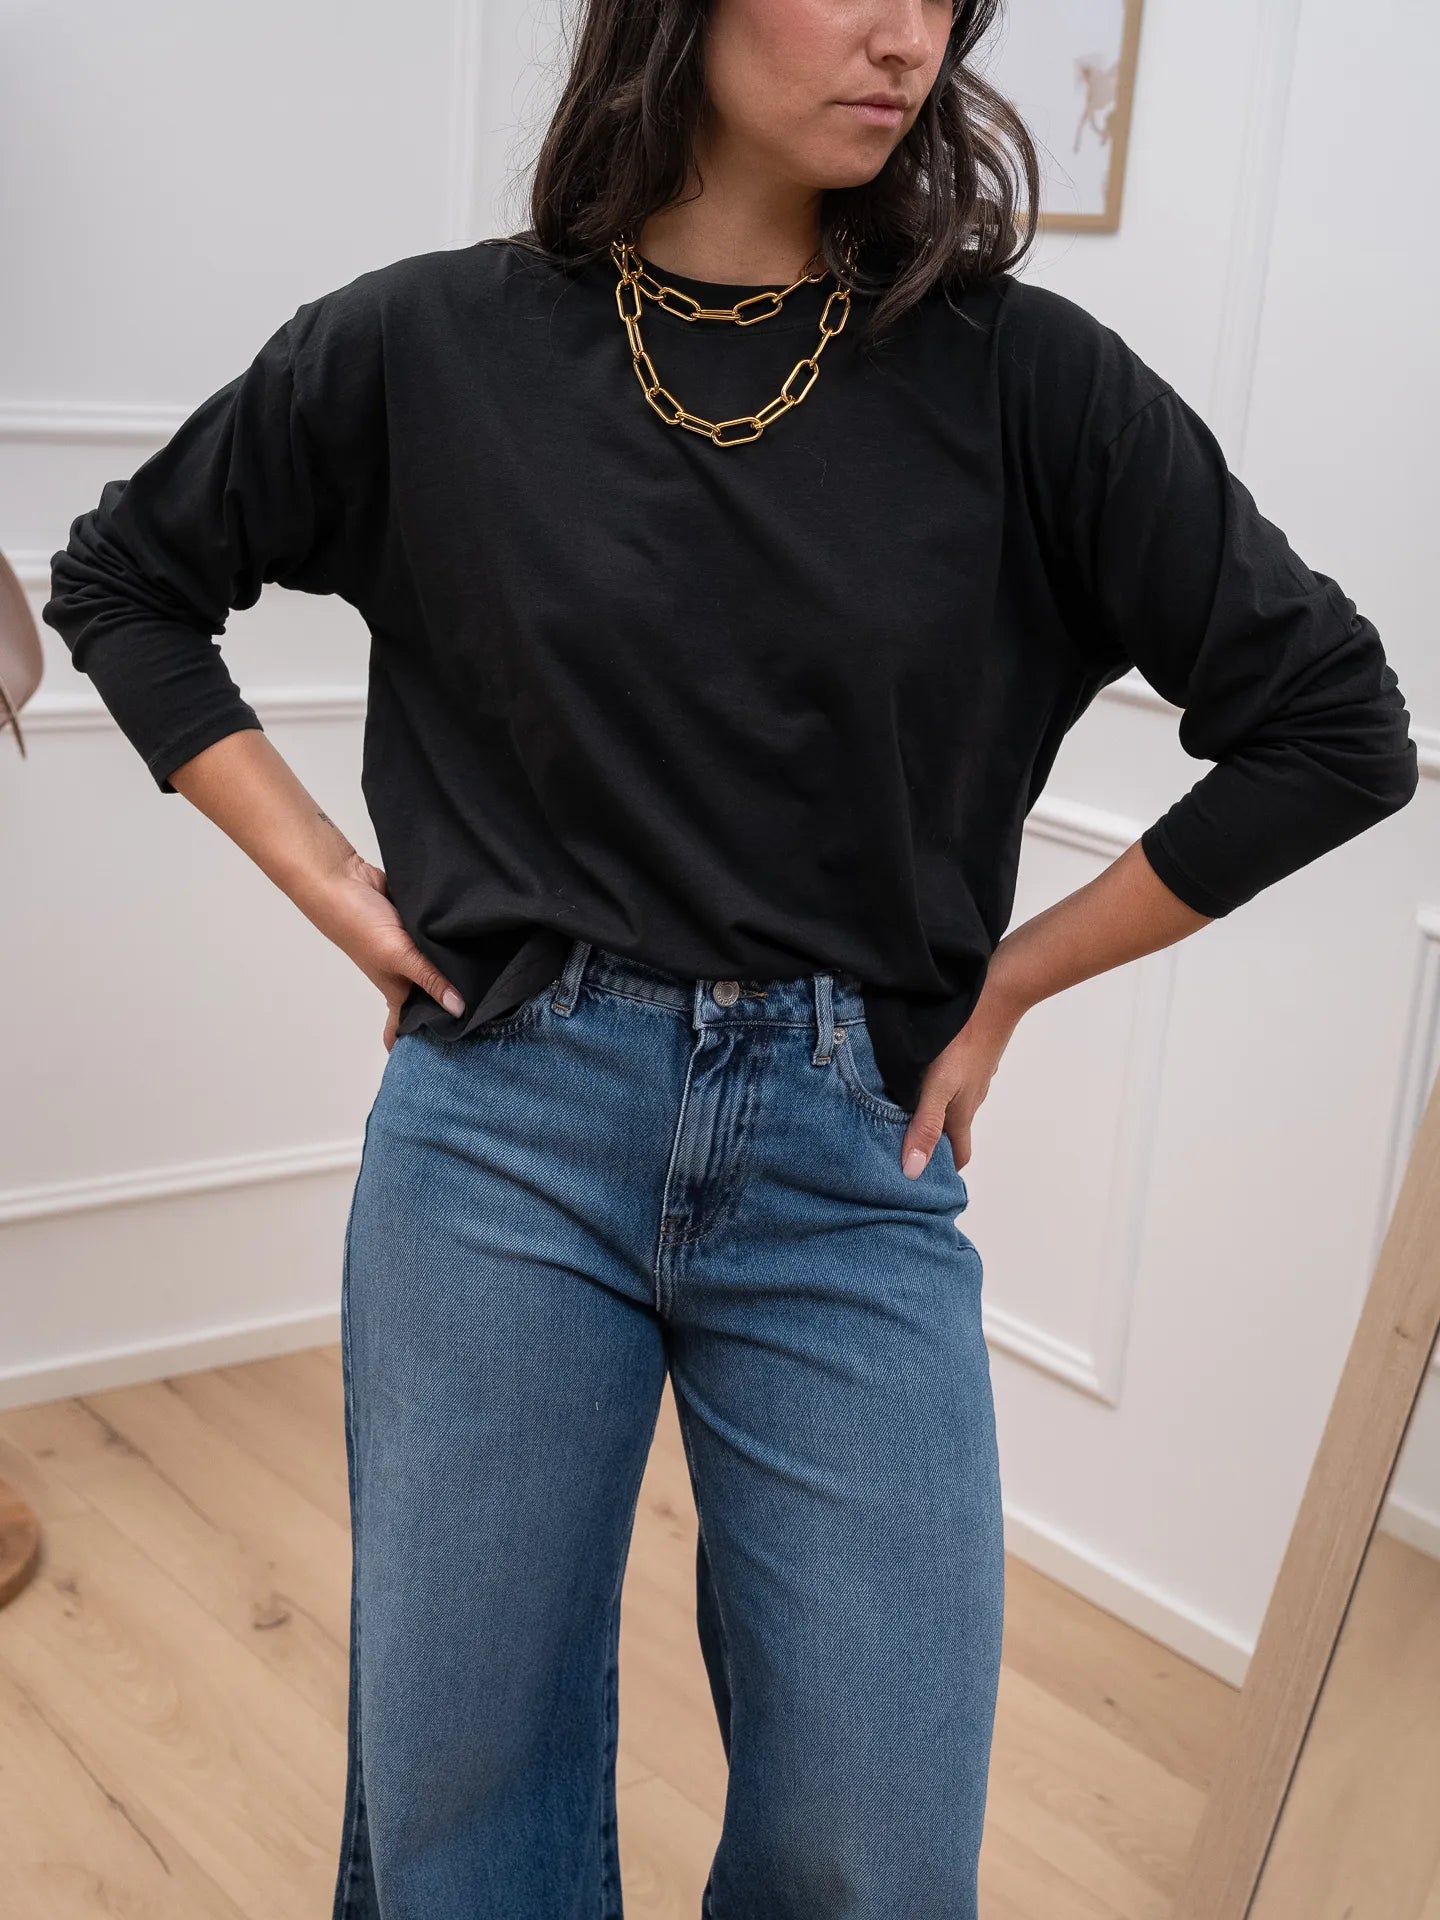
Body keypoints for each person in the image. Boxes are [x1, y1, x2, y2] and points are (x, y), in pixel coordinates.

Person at [42, 1, 1418, 1915]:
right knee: (460, 1811)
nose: (906, 37)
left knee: (877, 1843)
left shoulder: (1029, 384)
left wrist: (1015, 978)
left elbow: (1336, 726)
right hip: (504, 1127)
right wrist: (335, 886)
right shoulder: (426, 344)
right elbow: (124, 580)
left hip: (848, 1160)